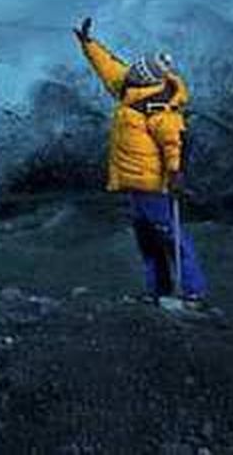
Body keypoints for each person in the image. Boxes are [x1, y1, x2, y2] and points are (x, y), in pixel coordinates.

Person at [73, 16, 209, 305]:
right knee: (148, 240)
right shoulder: (130, 89)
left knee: (171, 238)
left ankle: (192, 292)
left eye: (137, 72)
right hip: (135, 184)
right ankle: (157, 290)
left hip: (154, 185)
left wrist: (175, 174)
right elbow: (108, 68)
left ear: (148, 79)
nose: (130, 73)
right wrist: (88, 45)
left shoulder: (159, 109)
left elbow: (174, 143)